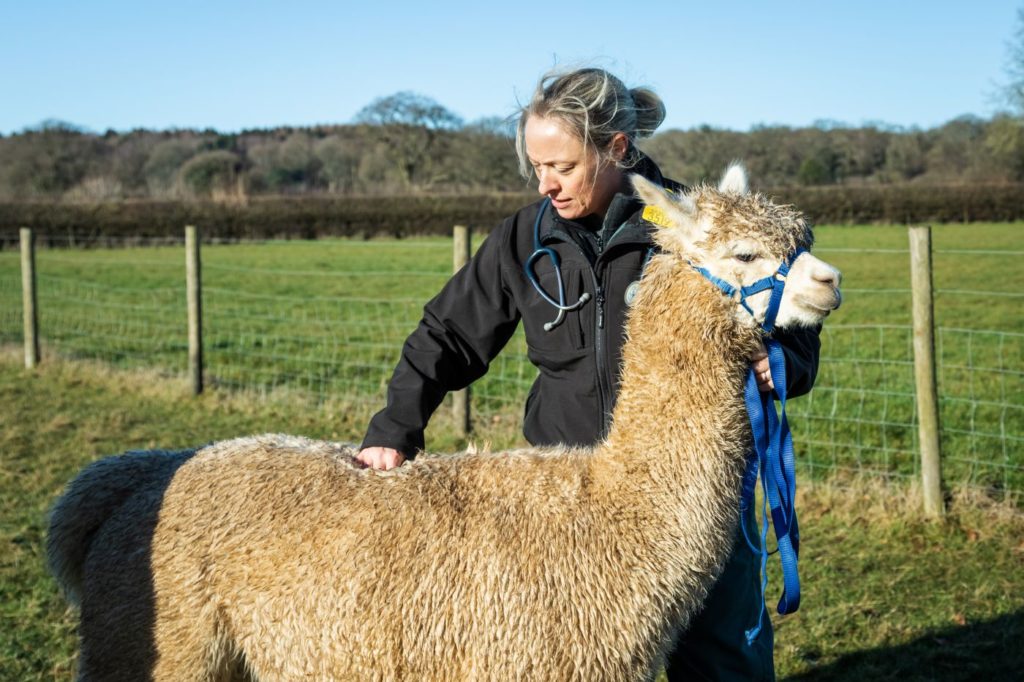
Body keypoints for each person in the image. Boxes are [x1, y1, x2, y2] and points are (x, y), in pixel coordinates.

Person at [357, 67, 820, 681]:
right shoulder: (525, 237)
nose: (546, 183)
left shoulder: (695, 231)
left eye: (563, 166)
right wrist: (394, 429)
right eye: (536, 167)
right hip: (563, 507)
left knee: (722, 660)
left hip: (689, 497)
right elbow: (448, 333)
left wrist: (779, 362)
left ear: (616, 150)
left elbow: (793, 323)